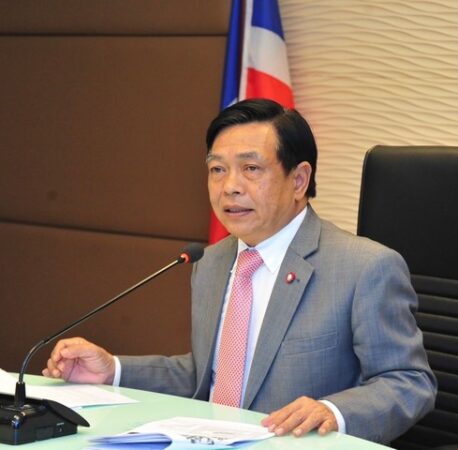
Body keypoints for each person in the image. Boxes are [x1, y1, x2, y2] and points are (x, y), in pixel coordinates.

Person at [43, 99, 436, 444]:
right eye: (217, 169)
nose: (229, 186)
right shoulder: (211, 262)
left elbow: (409, 382)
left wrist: (334, 411)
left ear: (299, 180)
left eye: (250, 168)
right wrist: (113, 370)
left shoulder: (363, 267)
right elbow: (206, 375)